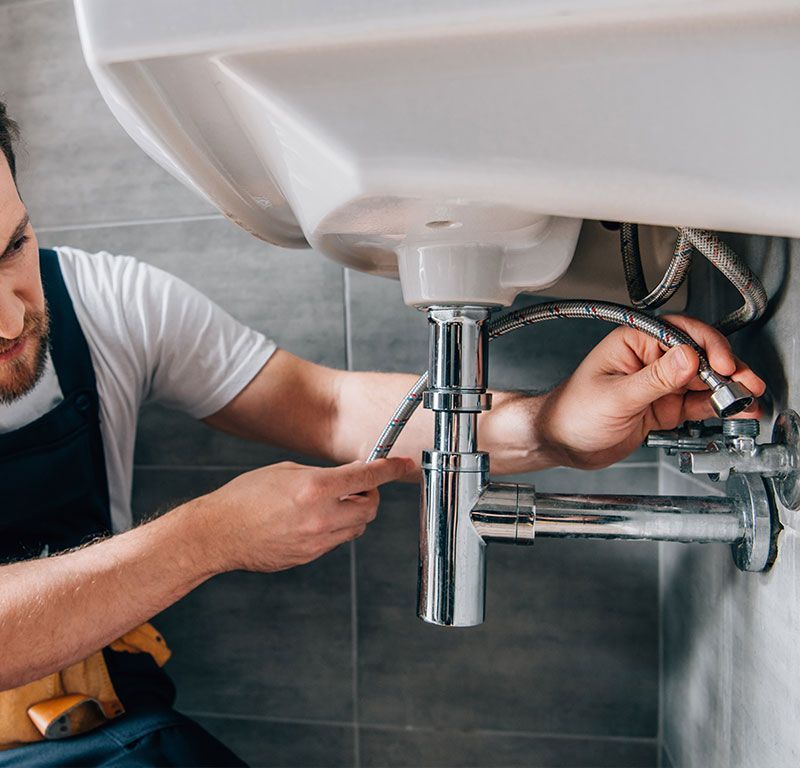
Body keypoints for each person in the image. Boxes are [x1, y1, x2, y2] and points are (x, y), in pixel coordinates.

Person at [0, 101, 765, 765]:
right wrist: (210, 536)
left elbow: (326, 407)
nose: (9, 318)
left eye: (13, 248)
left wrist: (551, 424)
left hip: (103, 716)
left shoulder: (103, 302)